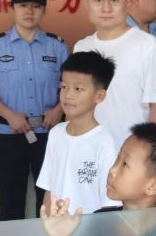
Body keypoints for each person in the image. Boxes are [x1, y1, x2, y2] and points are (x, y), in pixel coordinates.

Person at [0, 0, 69, 220]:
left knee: (49, 202)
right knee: (10, 202)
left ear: (44, 10)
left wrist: (59, 110)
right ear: (12, 8)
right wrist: (9, 115)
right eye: (23, 5)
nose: (29, 11)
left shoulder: (57, 47)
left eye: (36, 6)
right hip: (8, 135)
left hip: (49, 135)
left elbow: (71, 87)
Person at [75, 0, 156, 146]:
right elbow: (77, 105)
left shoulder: (148, 46)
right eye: (98, 0)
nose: (106, 8)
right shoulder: (81, 47)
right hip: (89, 151)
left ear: (126, 3)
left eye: (114, 0)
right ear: (87, 3)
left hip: (131, 154)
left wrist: (151, 156)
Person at [34, 51, 119, 216]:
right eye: (63, 87)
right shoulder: (56, 133)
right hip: (56, 228)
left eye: (78, 89)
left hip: (90, 229)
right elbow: (49, 189)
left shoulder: (105, 144)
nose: (68, 95)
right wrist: (46, 223)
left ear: (99, 96)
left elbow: (109, 206)